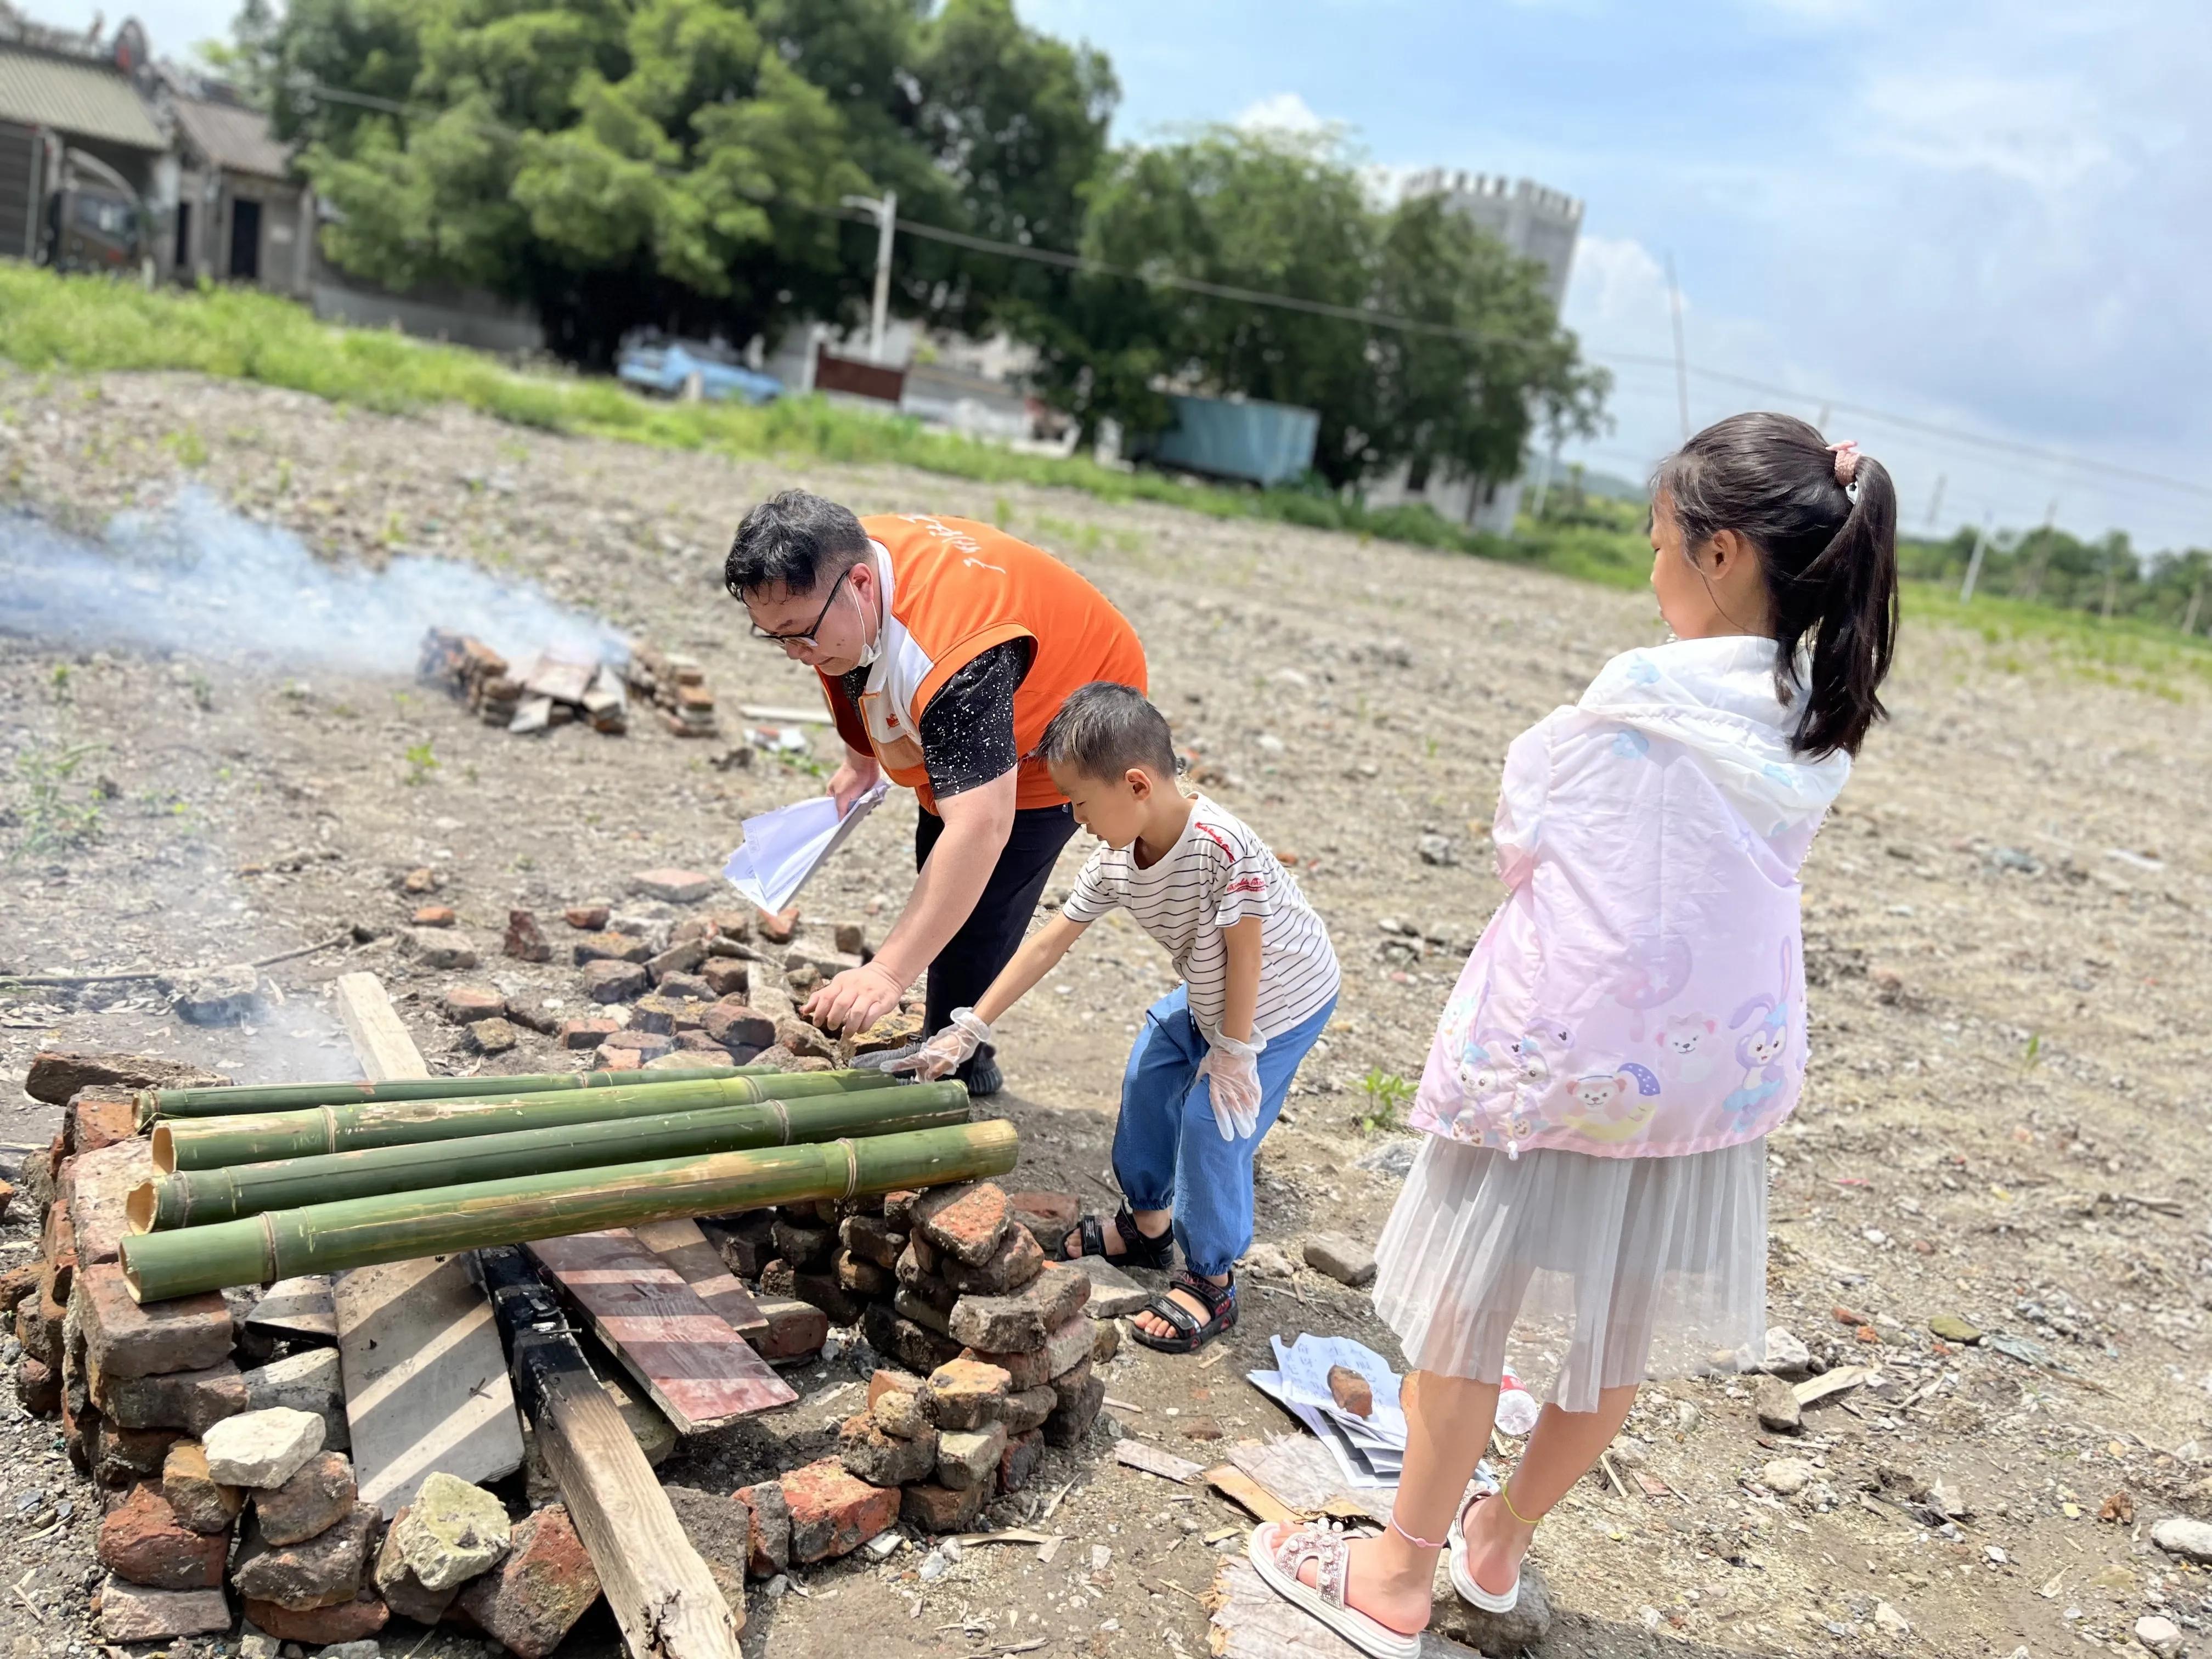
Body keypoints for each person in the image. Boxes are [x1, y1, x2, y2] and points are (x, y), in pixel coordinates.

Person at [1249, 413, 1900, 1656]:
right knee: (1612, 1337)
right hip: (1708, 1079)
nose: (1648, 565)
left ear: (1718, 555)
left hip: (1569, 1061)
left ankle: (1394, 1576)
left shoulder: (1636, 699)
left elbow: (1523, 838)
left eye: (1658, 541)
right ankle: (1496, 1546)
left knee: (1467, 1321)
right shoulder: (1814, 720)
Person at [895, 682, 1339, 1352]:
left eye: (1078, 800)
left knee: (1212, 1124)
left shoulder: (1222, 848)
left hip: (1277, 1004)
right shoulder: (1116, 861)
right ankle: (1147, 1225)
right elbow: (1050, 939)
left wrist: (1236, 1051)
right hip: (1209, 992)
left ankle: (1212, 1280)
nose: (1074, 817)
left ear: (1135, 784)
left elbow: (1246, 954)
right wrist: (968, 1029)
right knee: (1147, 1077)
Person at [724, 492, 1145, 1095]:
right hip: (975, 658)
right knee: (941, 858)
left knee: (985, 894)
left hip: (1074, 704)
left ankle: (960, 1062)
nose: (796, 654)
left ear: (861, 584)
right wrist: (859, 760)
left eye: (798, 634)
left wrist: (887, 974)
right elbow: (844, 664)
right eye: (775, 638)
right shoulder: (828, 570)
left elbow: (980, 828)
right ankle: (944, 1027)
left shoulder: (953, 658)